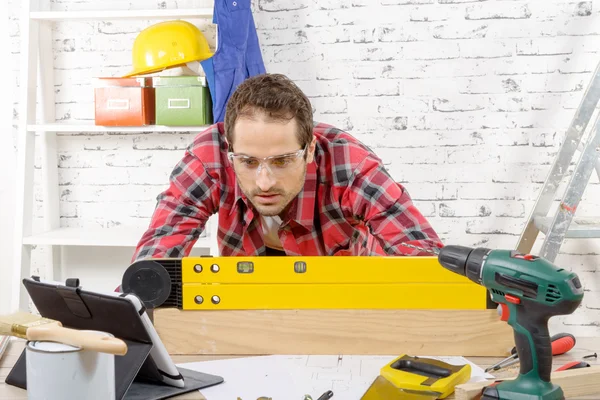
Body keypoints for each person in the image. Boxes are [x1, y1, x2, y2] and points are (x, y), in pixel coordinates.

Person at [131, 73, 443, 261]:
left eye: (281, 161)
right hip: (250, 290)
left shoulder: (351, 164)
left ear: (309, 150)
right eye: (249, 162)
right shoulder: (208, 156)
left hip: (341, 295)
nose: (264, 183)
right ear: (230, 151)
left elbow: (421, 252)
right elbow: (160, 245)